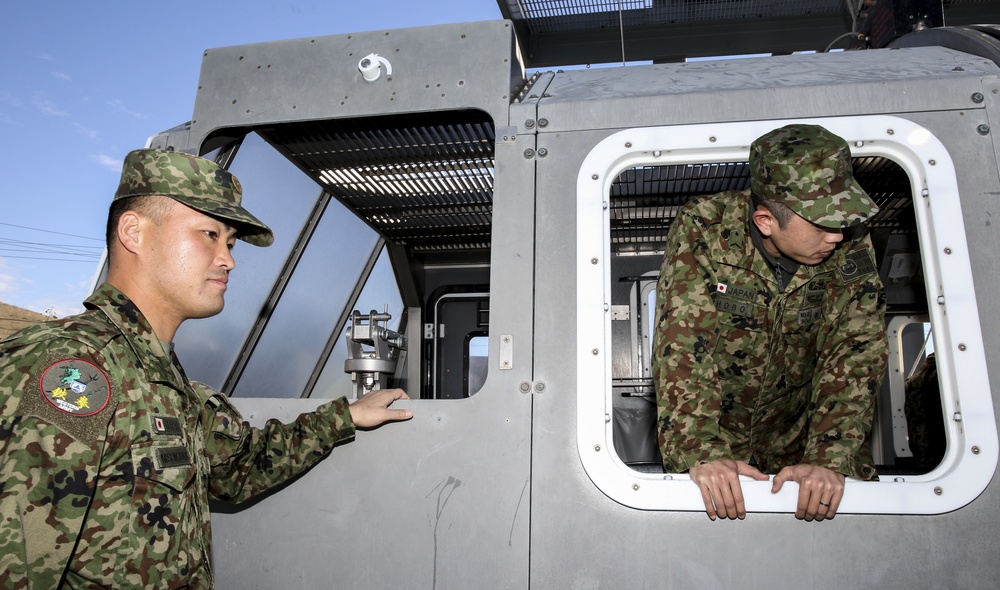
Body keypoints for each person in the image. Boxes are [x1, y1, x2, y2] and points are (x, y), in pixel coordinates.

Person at [0, 149, 413, 587]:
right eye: (209, 234)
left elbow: (241, 466)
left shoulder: (162, 379)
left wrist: (345, 416)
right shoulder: (71, 369)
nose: (228, 259)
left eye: (230, 243)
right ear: (133, 232)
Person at [652, 124, 887, 522]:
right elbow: (684, 341)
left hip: (803, 444)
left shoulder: (851, 238)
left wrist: (829, 457)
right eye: (822, 224)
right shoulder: (706, 228)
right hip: (715, 446)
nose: (837, 235)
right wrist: (701, 451)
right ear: (765, 221)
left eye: (844, 219)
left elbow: (856, 346)